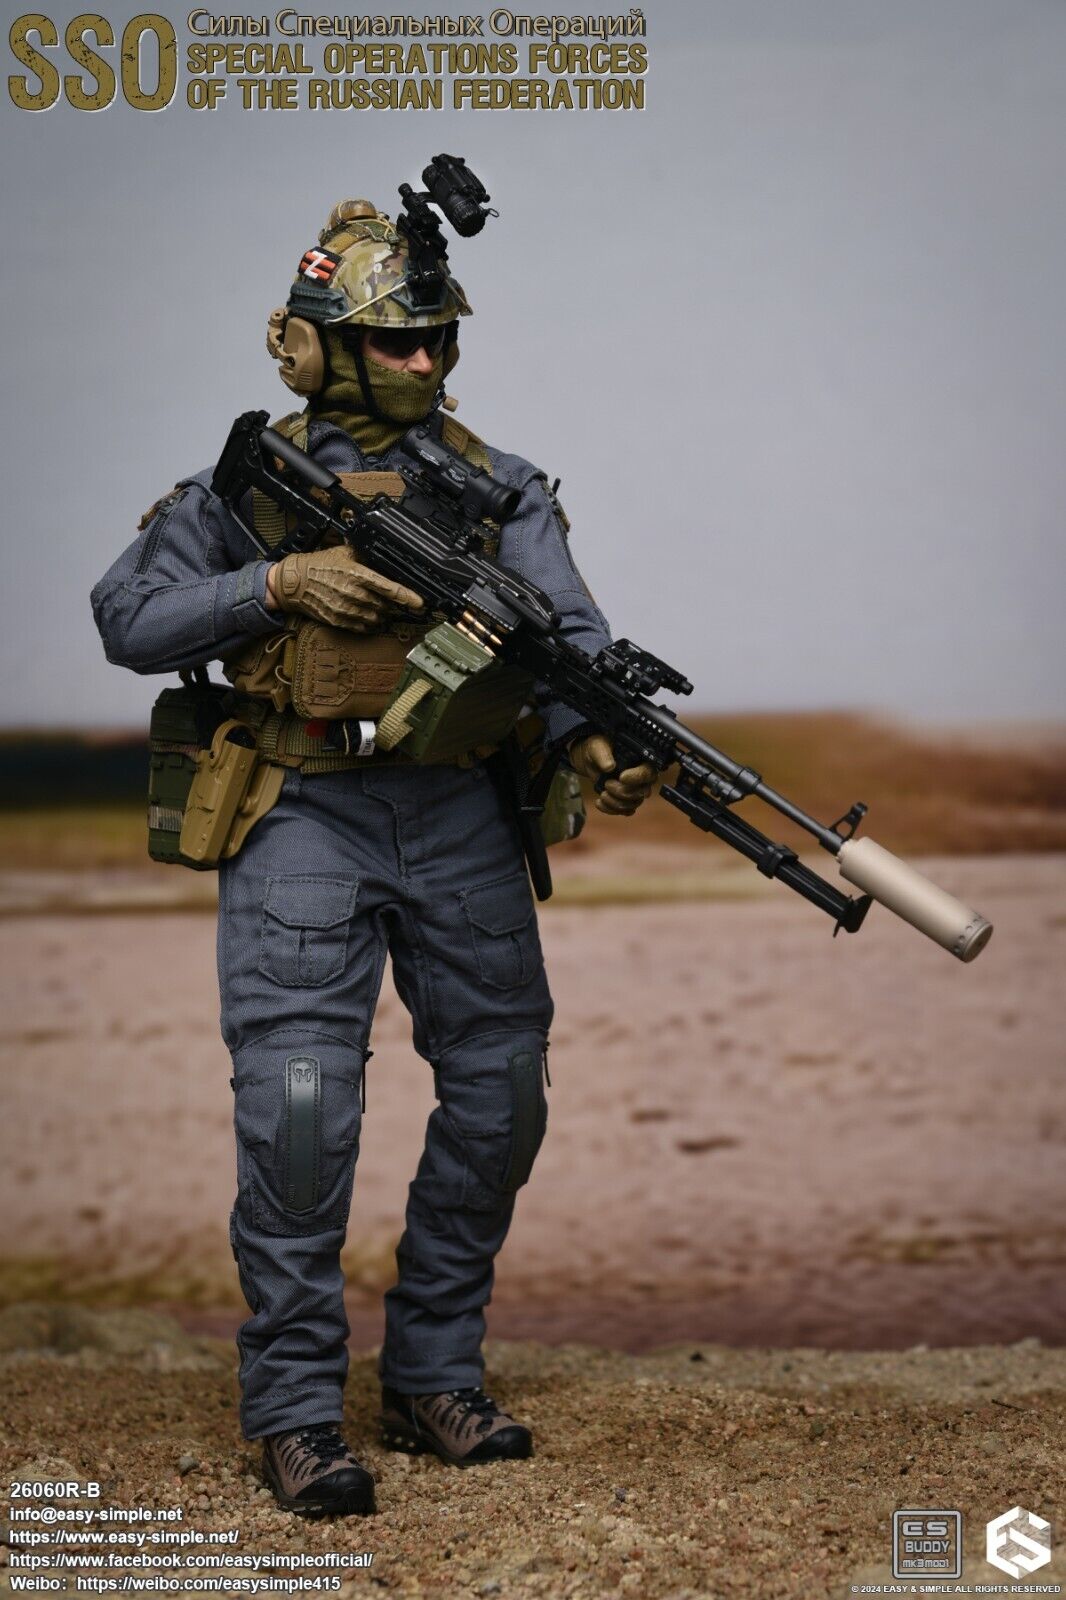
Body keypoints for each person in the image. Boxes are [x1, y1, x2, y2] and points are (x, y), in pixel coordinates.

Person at [91, 189, 655, 1518]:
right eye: (395, 340)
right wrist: (272, 587)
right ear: (317, 346)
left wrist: (594, 737)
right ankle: (295, 1407)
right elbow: (127, 617)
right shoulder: (248, 485)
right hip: (302, 805)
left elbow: (568, 641)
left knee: (503, 1095)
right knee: (298, 1113)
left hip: (459, 808)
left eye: (437, 339)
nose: (423, 360)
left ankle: (433, 1373)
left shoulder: (501, 486)